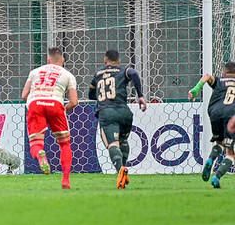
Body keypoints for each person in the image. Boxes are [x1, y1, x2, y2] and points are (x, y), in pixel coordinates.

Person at [88, 50, 147, 189]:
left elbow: (90, 94)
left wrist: (102, 98)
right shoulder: (123, 70)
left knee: (113, 145)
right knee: (123, 141)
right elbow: (133, 73)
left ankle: (120, 170)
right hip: (125, 113)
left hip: (107, 113)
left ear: (105, 59)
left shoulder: (97, 74)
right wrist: (140, 96)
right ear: (118, 60)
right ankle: (123, 170)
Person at [21, 47, 78, 189]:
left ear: (48, 60)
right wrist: (63, 109)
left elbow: (24, 95)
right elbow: (74, 101)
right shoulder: (67, 75)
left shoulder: (34, 72)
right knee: (64, 144)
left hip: (35, 103)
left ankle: (40, 155)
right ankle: (65, 181)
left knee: (36, 143)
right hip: (55, 103)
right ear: (63, 60)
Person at [190, 62, 235, 188]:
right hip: (231, 115)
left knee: (219, 142)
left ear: (225, 72)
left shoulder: (220, 80)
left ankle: (210, 159)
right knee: (230, 153)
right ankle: (217, 177)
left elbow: (207, 76)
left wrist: (196, 89)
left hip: (214, 113)